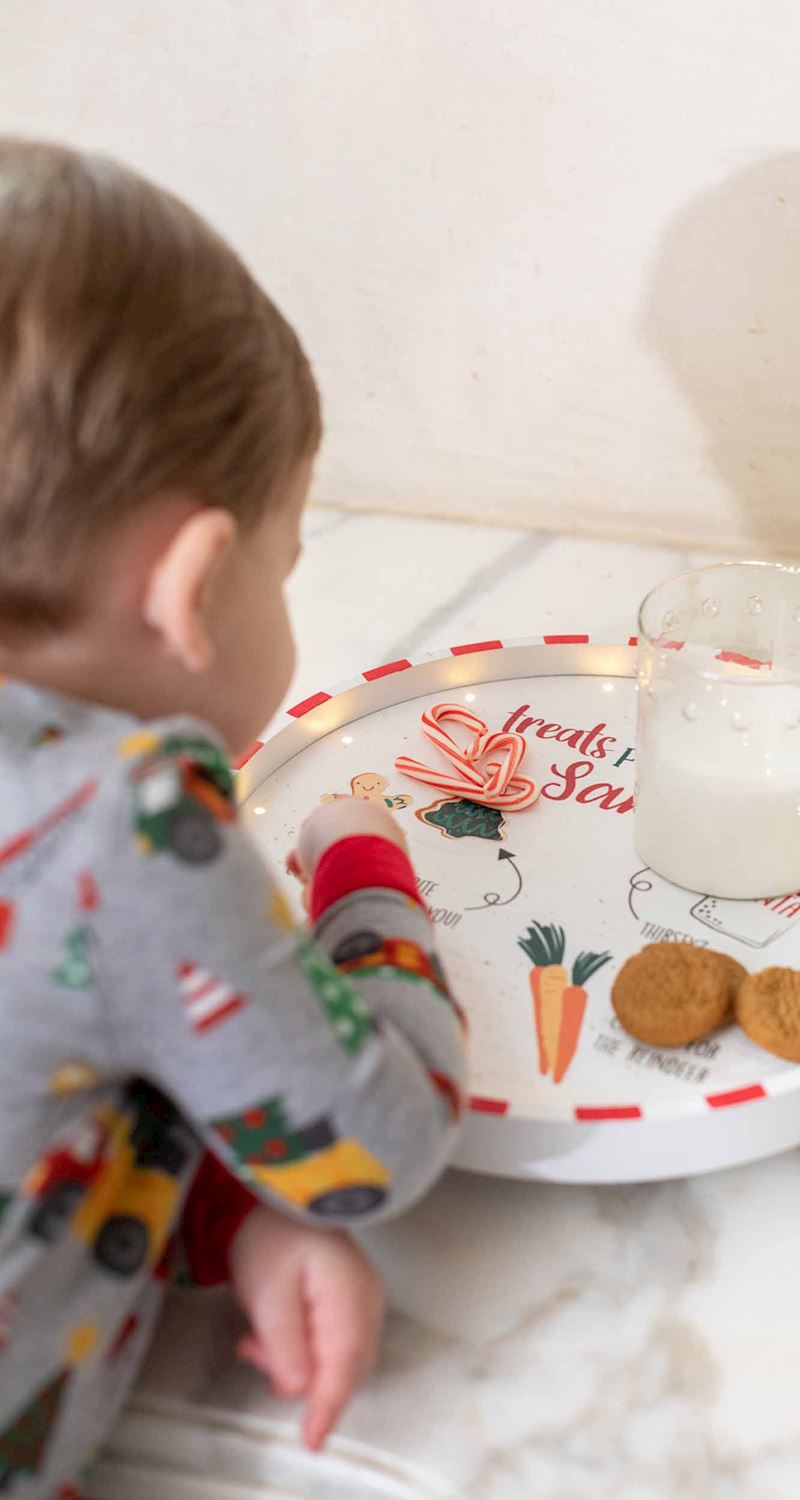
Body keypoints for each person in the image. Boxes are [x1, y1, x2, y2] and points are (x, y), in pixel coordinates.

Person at [0, 138, 466, 1496]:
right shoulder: (126, 822)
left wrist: (217, 1212)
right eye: (290, 551)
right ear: (194, 585)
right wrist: (369, 884)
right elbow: (373, 1147)